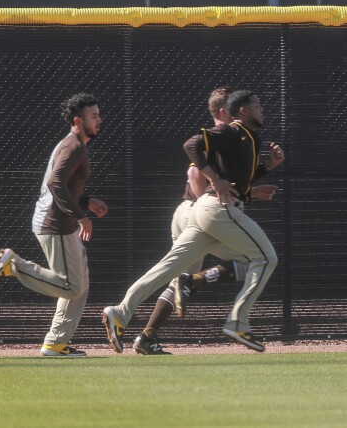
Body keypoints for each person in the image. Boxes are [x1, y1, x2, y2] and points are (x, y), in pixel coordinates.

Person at [102, 90, 283, 353]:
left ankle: (120, 312)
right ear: (243, 110)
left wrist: (269, 165)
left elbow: (243, 177)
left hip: (207, 212)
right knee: (267, 259)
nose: (261, 107)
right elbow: (191, 144)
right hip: (217, 209)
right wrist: (214, 179)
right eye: (256, 103)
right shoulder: (234, 131)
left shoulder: (249, 138)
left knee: (168, 269)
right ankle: (238, 322)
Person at [0, 93, 109, 358]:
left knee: (80, 284)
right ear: (78, 120)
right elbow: (55, 183)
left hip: (62, 221)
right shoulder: (73, 146)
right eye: (94, 116)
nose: (99, 120)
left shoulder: (76, 145)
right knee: (72, 286)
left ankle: (56, 343)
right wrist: (80, 215)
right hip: (55, 224)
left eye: (98, 114)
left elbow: (64, 185)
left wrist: (86, 202)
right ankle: (13, 265)